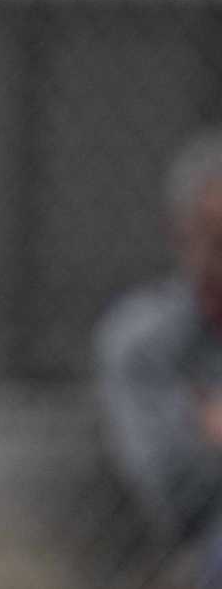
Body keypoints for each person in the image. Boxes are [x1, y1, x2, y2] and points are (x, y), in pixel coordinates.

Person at [98, 131, 222, 566]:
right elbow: (171, 490)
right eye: (210, 236)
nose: (216, 259)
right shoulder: (142, 340)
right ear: (180, 235)